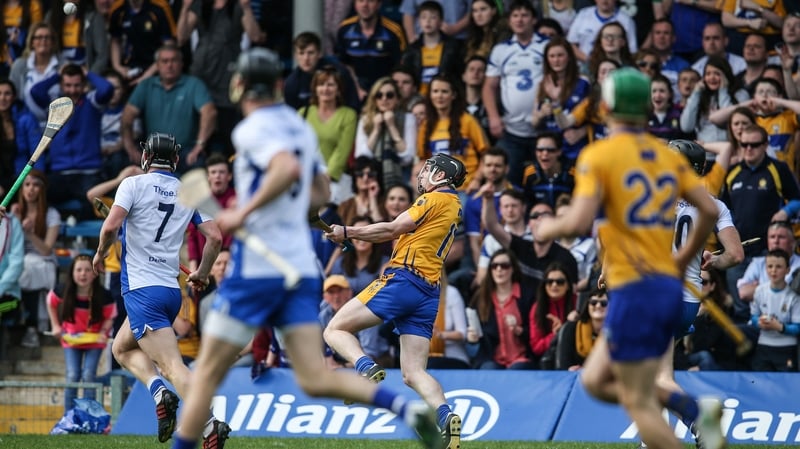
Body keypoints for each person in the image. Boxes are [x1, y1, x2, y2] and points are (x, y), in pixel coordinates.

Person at [170, 48, 443, 449]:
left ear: (240, 86)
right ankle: (405, 409)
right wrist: (304, 215)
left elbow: (286, 169)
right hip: (299, 269)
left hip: (257, 270)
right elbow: (320, 191)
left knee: (205, 377)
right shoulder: (301, 128)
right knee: (314, 378)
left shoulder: (252, 128)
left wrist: (241, 211)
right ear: (280, 85)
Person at [535, 67, 725, 449]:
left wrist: (546, 229)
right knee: (595, 380)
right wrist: (685, 256)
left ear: (606, 105)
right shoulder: (666, 156)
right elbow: (708, 209)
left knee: (634, 396)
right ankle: (691, 409)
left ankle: (693, 412)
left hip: (635, 288)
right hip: (664, 288)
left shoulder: (600, 154)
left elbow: (577, 222)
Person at [324, 152, 468, 449]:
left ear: (440, 176)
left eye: (428, 169)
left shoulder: (434, 199)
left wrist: (348, 231)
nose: (422, 174)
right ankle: (445, 416)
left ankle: (364, 371)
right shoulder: (455, 205)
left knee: (334, 329)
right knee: (414, 373)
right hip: (429, 291)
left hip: (405, 279)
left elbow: (392, 228)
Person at [92, 132, 225, 445]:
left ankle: (209, 423)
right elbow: (216, 237)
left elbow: (111, 226)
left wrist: (100, 254)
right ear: (176, 160)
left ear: (146, 158)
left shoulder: (133, 184)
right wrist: (202, 273)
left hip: (141, 290)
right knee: (121, 348)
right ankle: (159, 392)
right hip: (169, 292)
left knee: (172, 366)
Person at [30, 63, 113, 219]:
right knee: (37, 194)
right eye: (67, 85)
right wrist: (57, 74)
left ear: (84, 85)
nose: (73, 90)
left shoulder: (92, 101)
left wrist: (87, 73)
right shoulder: (57, 105)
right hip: (60, 173)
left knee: (92, 207)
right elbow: (35, 92)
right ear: (61, 84)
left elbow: (107, 89)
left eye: (77, 85)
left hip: (89, 173)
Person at [121, 43, 217, 174]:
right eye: (164, 61)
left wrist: (199, 145)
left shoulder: (193, 84)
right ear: (157, 65)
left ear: (181, 64)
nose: (169, 65)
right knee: (123, 163)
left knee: (198, 164)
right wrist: (130, 148)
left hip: (185, 151)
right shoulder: (146, 85)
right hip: (154, 153)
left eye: (174, 60)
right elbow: (127, 117)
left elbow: (209, 112)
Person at [482, 0, 548, 186]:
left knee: (542, 183)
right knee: (508, 183)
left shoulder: (546, 46)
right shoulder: (501, 50)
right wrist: (494, 117)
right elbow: (489, 86)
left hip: (543, 129)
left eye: (525, 15)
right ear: (509, 20)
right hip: (511, 131)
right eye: (515, 16)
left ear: (534, 19)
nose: (520, 20)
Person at [46, 254, 116, 412]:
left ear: (94, 272)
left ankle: (89, 414)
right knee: (72, 375)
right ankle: (69, 415)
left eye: (87, 270)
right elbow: (50, 301)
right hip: (71, 340)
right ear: (72, 272)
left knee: (89, 375)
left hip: (95, 342)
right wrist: (56, 326)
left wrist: (103, 332)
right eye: (79, 270)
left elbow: (110, 316)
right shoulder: (62, 290)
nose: (83, 274)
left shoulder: (104, 295)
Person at [466, 248, 536, 370]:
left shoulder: (527, 295)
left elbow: (537, 332)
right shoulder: (481, 297)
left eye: (504, 266)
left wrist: (519, 330)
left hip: (521, 358)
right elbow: (476, 345)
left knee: (517, 369)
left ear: (513, 269)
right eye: (494, 266)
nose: (499, 269)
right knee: (488, 369)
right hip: (492, 359)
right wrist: (472, 340)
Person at [12, 170, 59, 348]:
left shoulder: (51, 214)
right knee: (19, 266)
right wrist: (13, 224)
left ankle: (30, 324)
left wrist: (29, 233)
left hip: (43, 261)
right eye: (27, 184)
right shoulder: (14, 211)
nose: (31, 189)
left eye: (36, 185)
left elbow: (46, 250)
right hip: (19, 260)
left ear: (42, 190)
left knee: (28, 266)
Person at [299, 67, 358, 204]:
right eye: (321, 84)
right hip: (306, 179)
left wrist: (327, 176)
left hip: (334, 181)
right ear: (315, 89)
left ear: (338, 89)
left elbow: (342, 150)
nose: (325, 89)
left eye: (330, 84)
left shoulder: (348, 115)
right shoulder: (303, 113)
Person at [749, 248, 800, 372]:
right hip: (764, 345)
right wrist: (759, 322)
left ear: (787, 270)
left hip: (786, 347)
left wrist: (780, 327)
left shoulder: (793, 297)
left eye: (778, 267)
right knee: (761, 383)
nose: (773, 270)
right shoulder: (760, 291)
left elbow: (797, 327)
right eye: (770, 266)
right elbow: (753, 316)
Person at [527, 262, 576, 363]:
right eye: (549, 282)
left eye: (560, 282)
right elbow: (536, 347)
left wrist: (569, 327)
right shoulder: (537, 308)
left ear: (568, 286)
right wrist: (555, 335)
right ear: (544, 285)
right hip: (548, 360)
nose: (554, 285)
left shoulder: (579, 303)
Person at [553, 288, 608, 370]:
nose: (598, 306)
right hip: (573, 380)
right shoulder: (571, 329)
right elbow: (563, 365)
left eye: (604, 303)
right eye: (593, 302)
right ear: (587, 305)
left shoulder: (619, 332)